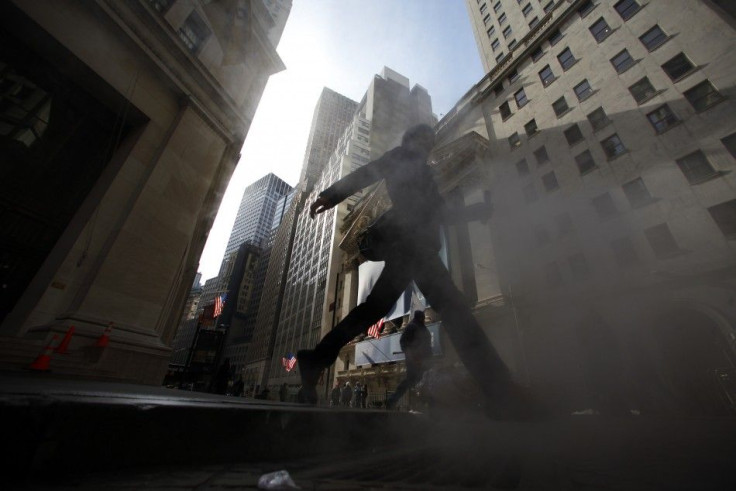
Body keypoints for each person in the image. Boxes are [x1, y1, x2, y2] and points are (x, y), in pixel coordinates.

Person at [297, 124, 516, 416]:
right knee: (454, 309)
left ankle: (315, 359)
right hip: (412, 246)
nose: (430, 144)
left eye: (432, 140)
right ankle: (501, 391)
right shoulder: (401, 156)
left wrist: (477, 212)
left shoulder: (424, 172)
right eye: (426, 139)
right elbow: (366, 173)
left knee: (372, 310)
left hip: (413, 249)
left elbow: (441, 212)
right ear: (412, 139)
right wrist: (331, 194)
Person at [386, 310, 432, 409]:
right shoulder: (412, 327)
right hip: (414, 360)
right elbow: (403, 342)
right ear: (420, 317)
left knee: (422, 381)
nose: (424, 319)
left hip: (424, 360)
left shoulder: (423, 329)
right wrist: (411, 355)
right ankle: (393, 399)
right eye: (422, 317)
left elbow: (428, 345)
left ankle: (423, 404)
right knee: (412, 381)